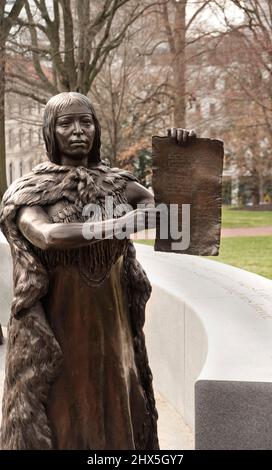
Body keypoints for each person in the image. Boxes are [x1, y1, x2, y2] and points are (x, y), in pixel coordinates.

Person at [0, 92, 194, 450]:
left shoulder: (119, 184)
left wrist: (180, 159)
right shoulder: (30, 191)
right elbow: (49, 235)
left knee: (119, 405)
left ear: (96, 128)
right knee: (63, 415)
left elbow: (174, 221)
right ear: (50, 130)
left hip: (114, 326)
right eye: (66, 123)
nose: (78, 131)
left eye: (85, 122)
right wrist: (120, 224)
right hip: (59, 329)